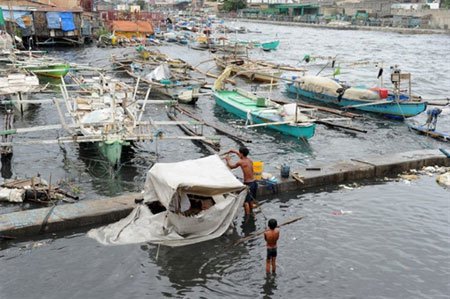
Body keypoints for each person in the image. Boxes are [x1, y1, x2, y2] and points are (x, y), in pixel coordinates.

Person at [224, 146, 257, 215]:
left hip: (248, 184)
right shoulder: (249, 160)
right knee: (250, 200)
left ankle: (247, 217)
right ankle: (252, 213)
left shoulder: (240, 162)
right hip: (254, 183)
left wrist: (228, 160)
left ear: (241, 154)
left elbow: (231, 166)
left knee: (245, 202)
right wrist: (234, 151)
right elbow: (241, 157)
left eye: (239, 153)